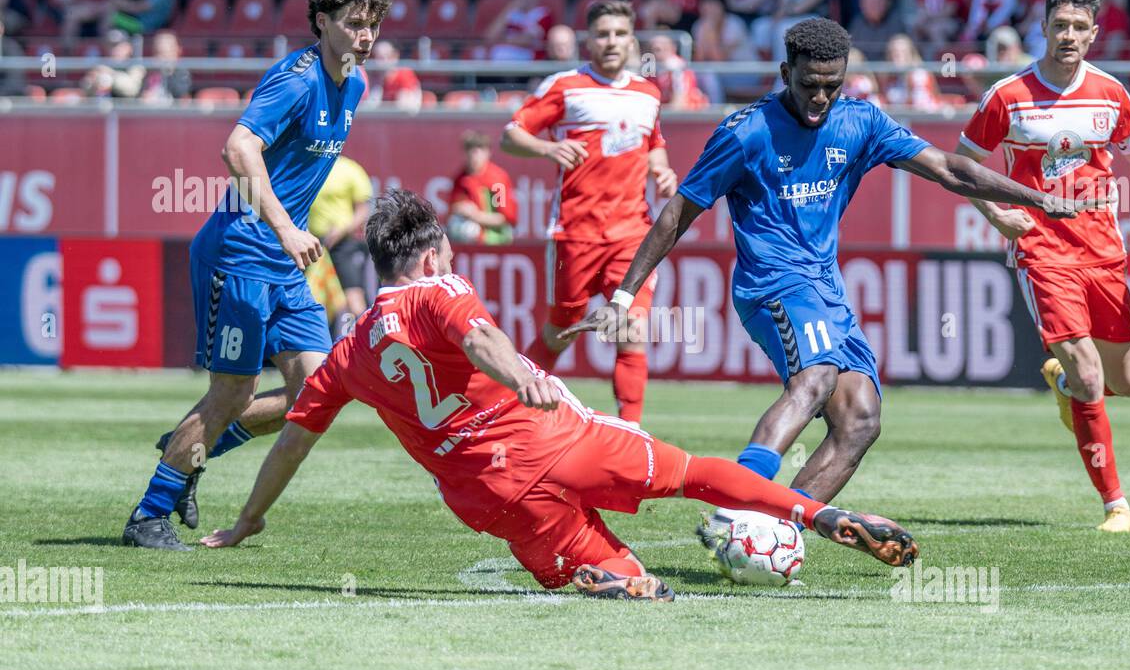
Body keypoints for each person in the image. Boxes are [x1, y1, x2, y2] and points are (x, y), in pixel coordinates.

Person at [199, 191, 920, 595]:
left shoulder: (349, 352)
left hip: (489, 498)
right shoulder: (437, 290)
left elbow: (293, 441)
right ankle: (813, 512)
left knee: (639, 586)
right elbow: (480, 339)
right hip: (559, 442)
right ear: (426, 256)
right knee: (696, 475)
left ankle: (613, 579)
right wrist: (528, 378)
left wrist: (248, 520)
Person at [561, 17, 1096, 510]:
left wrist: (1038, 198)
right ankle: (738, 509)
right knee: (815, 377)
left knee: (861, 420)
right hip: (770, 284)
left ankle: (776, 527)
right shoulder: (746, 132)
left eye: (832, 85)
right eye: (808, 84)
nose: (820, 97)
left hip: (826, 290)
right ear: (784, 72)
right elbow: (680, 210)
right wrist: (625, 296)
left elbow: (950, 169)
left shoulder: (860, 121)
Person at [121, 0, 392, 550]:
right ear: (322, 22)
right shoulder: (295, 79)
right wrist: (284, 228)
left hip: (283, 262)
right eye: (353, 24)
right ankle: (148, 514)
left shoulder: (357, 83)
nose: (365, 35)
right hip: (240, 253)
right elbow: (237, 146)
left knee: (317, 389)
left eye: (373, 25)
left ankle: (189, 448)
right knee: (232, 395)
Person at [955, 0, 1130, 534]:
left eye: (1080, 28)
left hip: (1104, 251)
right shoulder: (1008, 96)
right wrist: (995, 214)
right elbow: (962, 163)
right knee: (1088, 375)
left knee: (1126, 384)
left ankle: (1062, 385)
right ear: (1045, 28)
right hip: (1042, 250)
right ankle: (1116, 505)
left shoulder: (1110, 92)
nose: (1070, 36)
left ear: (1094, 34)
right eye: (1061, 26)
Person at [501, 0, 676, 427]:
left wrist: (663, 170)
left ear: (632, 40)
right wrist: (547, 147)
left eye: (619, 33)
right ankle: (507, 411)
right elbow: (510, 135)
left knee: (630, 329)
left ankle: (632, 431)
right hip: (575, 232)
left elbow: (653, 144)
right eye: (602, 34)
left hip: (633, 233)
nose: (611, 41)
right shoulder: (566, 86)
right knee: (561, 328)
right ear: (589, 40)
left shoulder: (648, 93)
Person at [308, 153, 374, 331]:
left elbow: (363, 210)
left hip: (343, 244)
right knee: (312, 296)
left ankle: (362, 343)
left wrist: (342, 229)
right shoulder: (309, 166)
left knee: (354, 299)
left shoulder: (350, 169)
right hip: (311, 244)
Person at [448, 130, 518, 245]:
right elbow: (453, 209)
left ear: (488, 153)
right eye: (470, 152)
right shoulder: (461, 179)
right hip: (469, 241)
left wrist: (476, 216)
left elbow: (504, 219)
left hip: (496, 241)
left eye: (478, 152)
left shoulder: (497, 181)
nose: (474, 157)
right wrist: (460, 209)